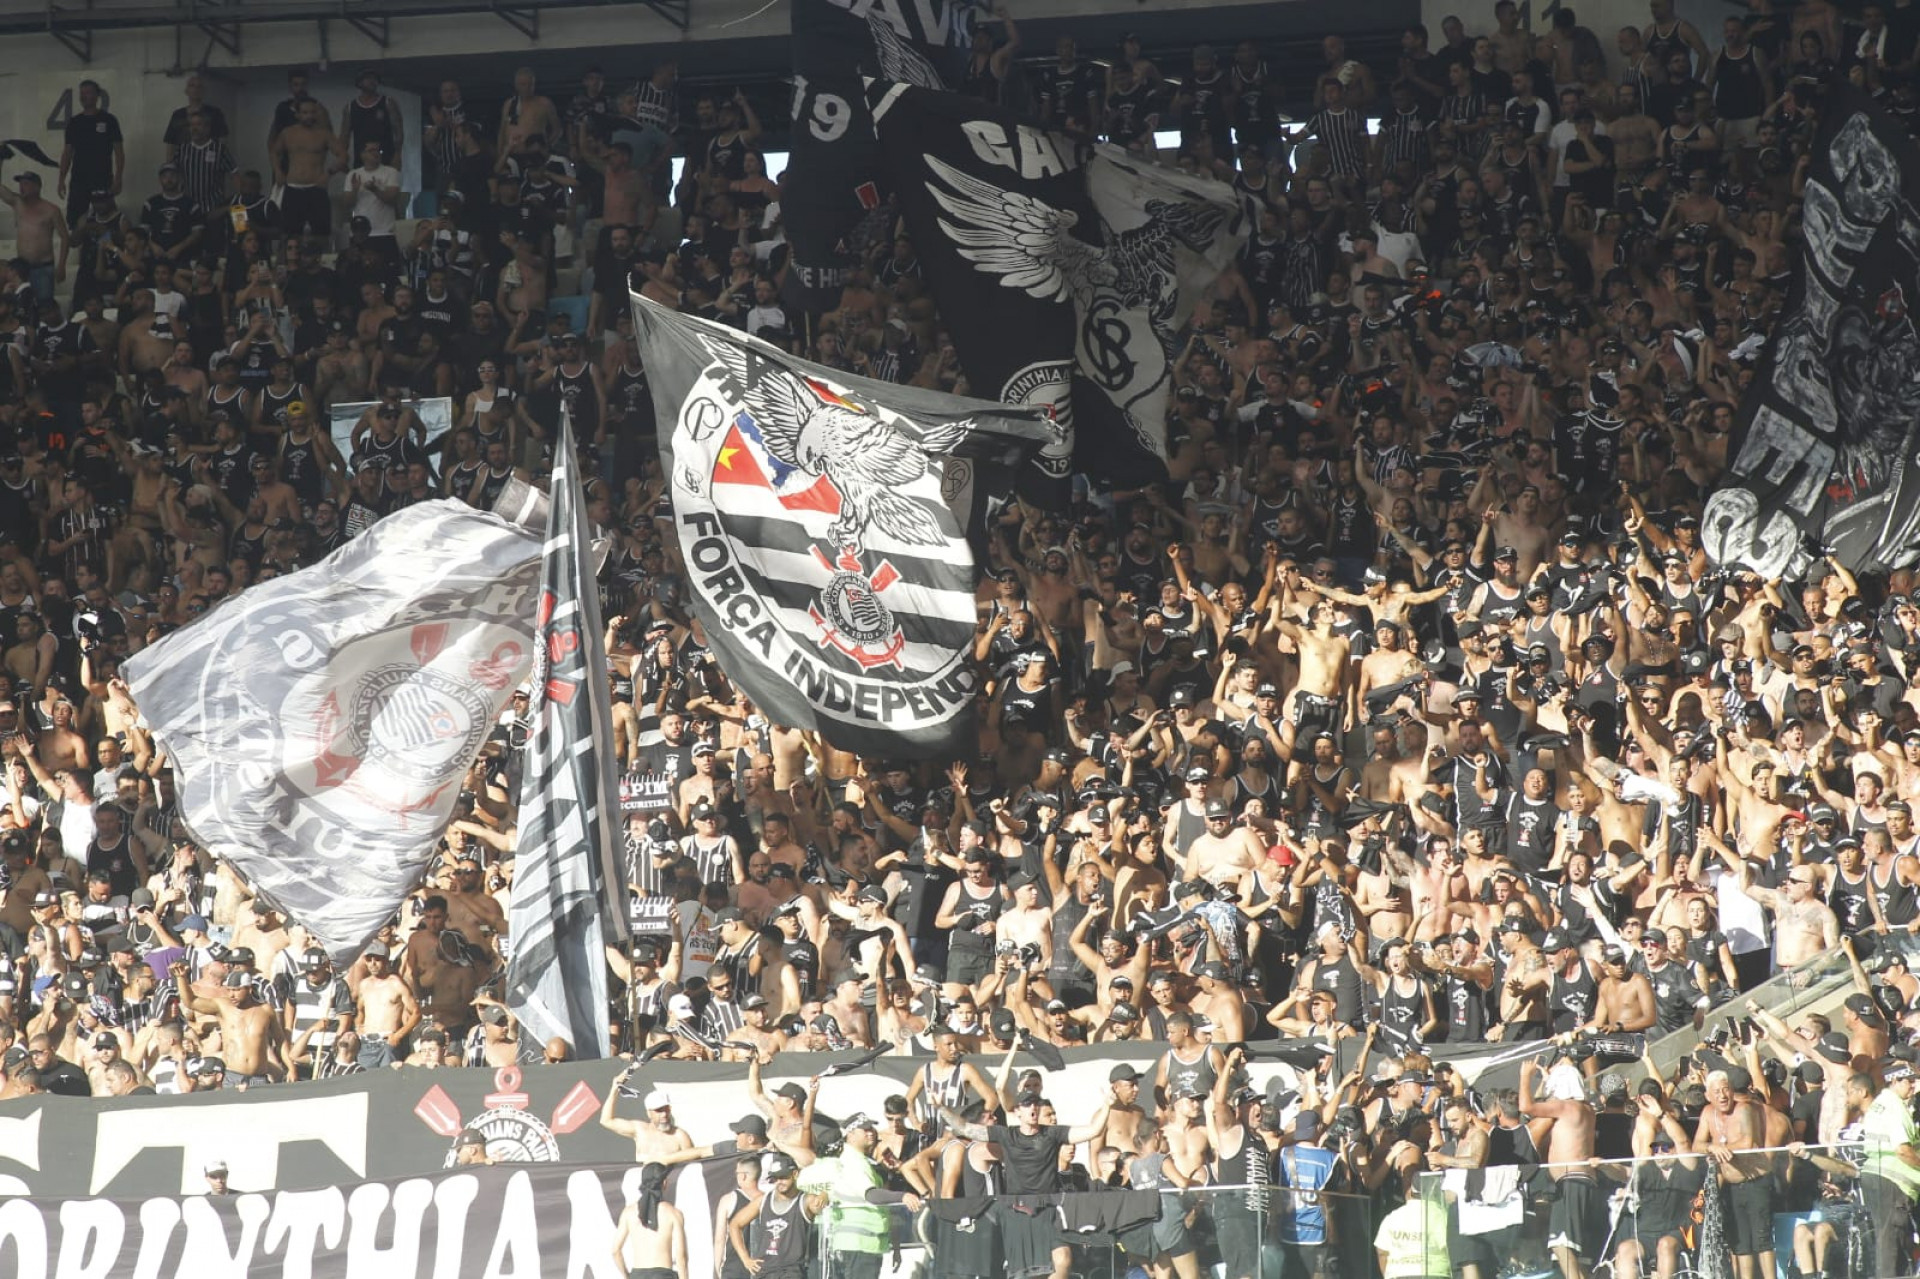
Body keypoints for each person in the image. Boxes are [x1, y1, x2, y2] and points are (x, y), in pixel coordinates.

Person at [1859, 1058, 1920, 1279]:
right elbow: (1903, 1150)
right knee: (1891, 1244)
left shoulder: (1879, 1103)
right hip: (1893, 1182)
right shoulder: (1895, 1107)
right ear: (1894, 1080)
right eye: (1910, 1082)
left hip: (1878, 1178)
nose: (1914, 1086)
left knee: (1892, 1241)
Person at [610, 1163, 688, 1279]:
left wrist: (627, 1276)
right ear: (665, 1183)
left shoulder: (628, 1213)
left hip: (638, 1275)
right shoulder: (673, 1214)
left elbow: (615, 1251)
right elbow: (681, 1257)